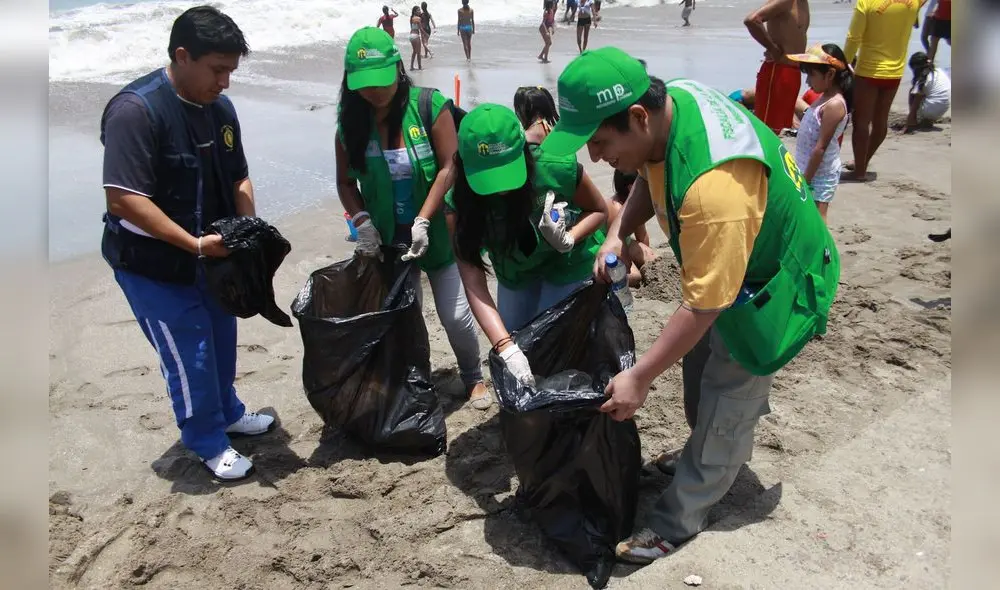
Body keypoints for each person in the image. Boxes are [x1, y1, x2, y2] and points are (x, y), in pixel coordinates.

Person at [541, 46, 839, 564]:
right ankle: (702, 447)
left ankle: (677, 520)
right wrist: (617, 232)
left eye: (600, 142)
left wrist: (640, 377)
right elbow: (648, 174)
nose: (595, 157)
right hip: (729, 260)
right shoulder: (672, 102)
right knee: (698, 369)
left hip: (774, 283)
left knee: (728, 396)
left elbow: (704, 306)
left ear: (638, 117)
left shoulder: (714, 190)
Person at [99, 5, 274, 482]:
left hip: (212, 256)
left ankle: (228, 412)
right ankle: (206, 440)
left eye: (231, 71)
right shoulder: (136, 112)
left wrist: (246, 230)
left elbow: (238, 177)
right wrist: (194, 245)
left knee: (221, 337)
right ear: (182, 56)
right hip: (153, 264)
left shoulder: (221, 110)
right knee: (189, 351)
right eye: (217, 70)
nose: (225, 82)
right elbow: (124, 200)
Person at [335, 27, 491, 409]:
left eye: (381, 80)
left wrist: (423, 218)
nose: (374, 91)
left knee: (455, 316)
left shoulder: (428, 106)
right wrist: (362, 221)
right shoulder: (350, 123)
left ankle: (472, 375)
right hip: (388, 241)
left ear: (398, 68)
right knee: (406, 317)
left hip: (437, 232)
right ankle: (416, 379)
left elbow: (449, 166)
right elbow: (345, 182)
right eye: (364, 84)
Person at [445, 103, 608, 379]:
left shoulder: (556, 167)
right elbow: (473, 280)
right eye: (489, 177)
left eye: (507, 171)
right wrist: (505, 346)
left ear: (524, 152)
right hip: (515, 272)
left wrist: (569, 237)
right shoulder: (458, 204)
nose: (501, 188)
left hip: (568, 263)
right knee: (517, 343)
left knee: (561, 344)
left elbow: (599, 210)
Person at [842, 0, 921, 182]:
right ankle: (862, 162)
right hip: (895, 72)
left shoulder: (866, 2)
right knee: (880, 122)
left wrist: (843, 64)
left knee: (861, 122)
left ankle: (859, 171)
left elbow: (853, 37)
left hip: (868, 70)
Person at [787, 44, 852, 223]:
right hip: (806, 167)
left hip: (819, 173)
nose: (808, 81)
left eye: (811, 75)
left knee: (817, 218)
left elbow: (820, 148)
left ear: (830, 74)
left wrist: (806, 181)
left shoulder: (834, 105)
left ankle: (822, 243)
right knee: (804, 216)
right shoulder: (823, 98)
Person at [744, 0, 811, 133]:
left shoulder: (803, 3)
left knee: (779, 128)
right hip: (778, 71)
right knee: (767, 129)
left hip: (793, 72)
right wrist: (772, 48)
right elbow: (752, 20)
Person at [608, 170, 657, 287]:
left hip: (626, 241)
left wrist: (646, 263)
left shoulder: (635, 205)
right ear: (632, 188)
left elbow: (642, 235)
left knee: (655, 260)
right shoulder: (616, 208)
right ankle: (602, 278)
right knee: (634, 277)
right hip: (608, 246)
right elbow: (616, 246)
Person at [902, 51, 951, 132]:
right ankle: (928, 120)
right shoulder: (939, 71)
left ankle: (913, 121)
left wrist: (909, 121)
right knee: (927, 93)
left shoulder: (923, 78)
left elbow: (916, 100)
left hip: (931, 111)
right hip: (944, 109)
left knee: (912, 92)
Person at [409, 6, 424, 71]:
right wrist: (425, 34)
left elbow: (412, 27)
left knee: (414, 51)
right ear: (414, 11)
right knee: (418, 52)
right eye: (418, 10)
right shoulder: (418, 18)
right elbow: (421, 29)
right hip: (416, 36)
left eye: (420, 10)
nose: (419, 11)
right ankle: (420, 67)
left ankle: (411, 67)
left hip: (411, 36)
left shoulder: (411, 18)